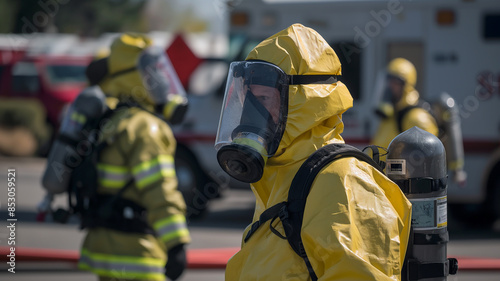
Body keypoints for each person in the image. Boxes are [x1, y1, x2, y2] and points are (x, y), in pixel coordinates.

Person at [214, 24, 412, 280]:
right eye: (248, 100)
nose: (250, 115)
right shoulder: (281, 175)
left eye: (262, 100)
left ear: (302, 102)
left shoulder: (343, 181)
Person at [77, 33, 191, 281]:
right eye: (152, 72)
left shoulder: (107, 120)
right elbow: (159, 189)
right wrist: (177, 243)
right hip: (138, 253)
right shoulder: (145, 127)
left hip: (104, 248)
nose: (160, 80)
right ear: (135, 76)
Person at [371, 57, 439, 150]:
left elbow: (427, 158)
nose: (389, 87)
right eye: (388, 81)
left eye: (394, 82)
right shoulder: (392, 114)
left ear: (406, 85)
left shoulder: (416, 118)